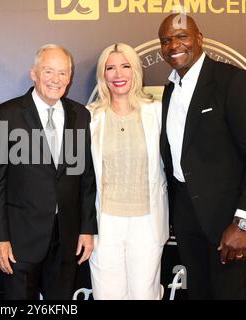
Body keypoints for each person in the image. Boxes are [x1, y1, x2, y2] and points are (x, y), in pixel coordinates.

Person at [0, 44, 97, 300]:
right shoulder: (5, 115)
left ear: (69, 78)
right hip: (19, 239)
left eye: (62, 73)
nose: (55, 80)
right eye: (48, 71)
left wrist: (87, 229)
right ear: (34, 73)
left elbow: (87, 178)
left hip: (66, 238)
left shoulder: (81, 115)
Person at [159, 14, 246, 299]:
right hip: (186, 215)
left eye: (181, 37)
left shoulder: (233, 81)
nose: (173, 45)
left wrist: (243, 222)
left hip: (228, 219)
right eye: (166, 41)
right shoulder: (169, 89)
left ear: (199, 39)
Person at [87, 43, 169, 300]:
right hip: (105, 222)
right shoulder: (89, 117)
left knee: (145, 294)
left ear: (136, 71)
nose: (118, 74)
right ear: (103, 74)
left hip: (147, 219)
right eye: (110, 68)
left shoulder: (156, 112)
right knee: (106, 294)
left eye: (125, 66)